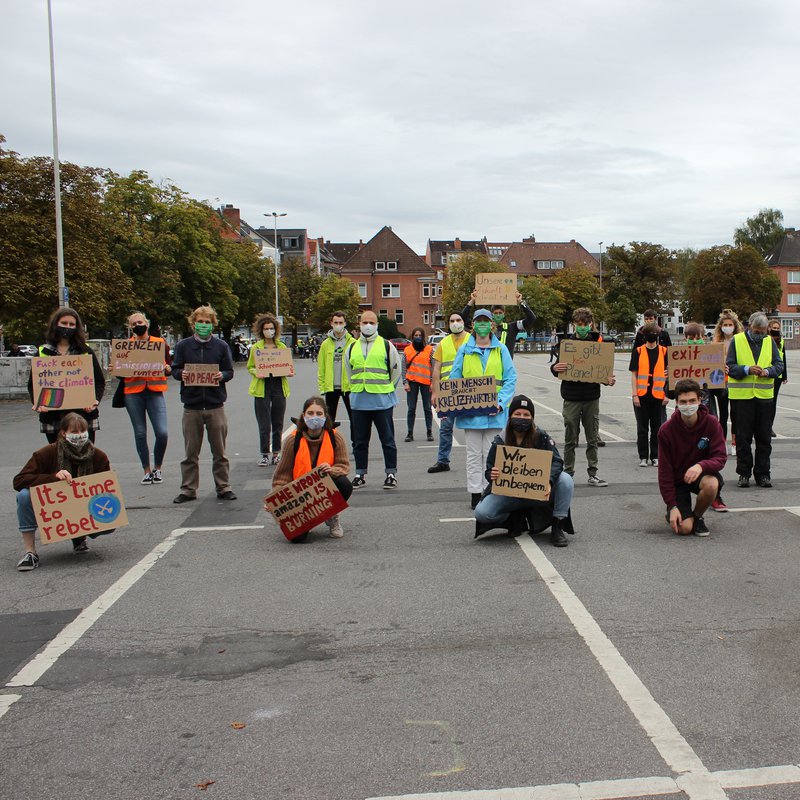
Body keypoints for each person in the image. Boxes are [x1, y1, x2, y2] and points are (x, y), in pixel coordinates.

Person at [13, 413, 112, 571]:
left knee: (109, 520)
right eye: (74, 432)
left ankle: (79, 536)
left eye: (82, 431)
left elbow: (107, 489)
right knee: (24, 496)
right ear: (64, 433)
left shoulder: (98, 456)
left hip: (83, 507)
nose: (79, 436)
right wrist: (53, 478)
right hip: (51, 506)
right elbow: (19, 480)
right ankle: (30, 552)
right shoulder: (47, 452)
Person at [474, 395, 574, 547]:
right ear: (510, 416)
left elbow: (557, 462)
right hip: (510, 494)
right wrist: (492, 474)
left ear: (532, 418)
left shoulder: (541, 436)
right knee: (482, 513)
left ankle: (558, 524)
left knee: (566, 479)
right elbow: (489, 470)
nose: (522, 418)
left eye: (526, 415)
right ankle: (514, 518)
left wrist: (548, 481)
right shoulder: (500, 440)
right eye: (518, 414)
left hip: (539, 492)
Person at [449, 308, 517, 508]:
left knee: (492, 455)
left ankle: (490, 490)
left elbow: (510, 378)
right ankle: (475, 492)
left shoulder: (501, 349)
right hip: (471, 413)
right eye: (478, 321)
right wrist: (455, 403)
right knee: (473, 455)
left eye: (486, 321)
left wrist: (501, 401)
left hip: (495, 412)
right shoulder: (464, 349)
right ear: (473, 325)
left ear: (491, 325)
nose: (482, 325)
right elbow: (455, 378)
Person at [171, 305, 236, 503]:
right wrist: (180, 374)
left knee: (220, 452)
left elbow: (229, 371)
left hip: (215, 405)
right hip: (192, 406)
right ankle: (188, 489)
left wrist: (221, 375)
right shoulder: (183, 346)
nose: (203, 325)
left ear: (213, 325)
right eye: (200, 322)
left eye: (207, 322)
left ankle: (223, 486)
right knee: (191, 452)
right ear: (193, 324)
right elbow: (175, 369)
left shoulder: (221, 346)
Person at [551, 307, 616, 486]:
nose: (582, 327)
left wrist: (608, 380)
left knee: (592, 437)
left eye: (585, 324)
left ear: (590, 325)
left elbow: (601, 372)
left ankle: (593, 473)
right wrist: (554, 369)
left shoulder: (597, 345)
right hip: (571, 397)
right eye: (578, 324)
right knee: (570, 437)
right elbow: (557, 367)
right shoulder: (567, 344)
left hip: (591, 398)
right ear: (574, 325)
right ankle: (568, 473)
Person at [270, 396, 352, 539]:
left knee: (344, 484)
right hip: (300, 495)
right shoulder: (292, 440)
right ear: (303, 415)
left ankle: (331, 515)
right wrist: (275, 500)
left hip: (324, 491)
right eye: (311, 413)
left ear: (325, 416)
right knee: (297, 539)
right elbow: (282, 475)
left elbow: (343, 466)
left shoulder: (335, 437)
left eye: (319, 414)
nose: (315, 417)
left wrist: (331, 470)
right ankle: (310, 520)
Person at [657, 379, 727, 537]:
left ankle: (698, 516)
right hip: (678, 481)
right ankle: (675, 513)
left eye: (692, 401)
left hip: (700, 475)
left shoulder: (711, 423)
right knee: (685, 529)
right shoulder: (666, 430)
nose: (688, 405)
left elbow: (721, 457)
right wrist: (672, 504)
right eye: (683, 401)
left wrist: (701, 466)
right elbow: (664, 472)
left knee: (711, 484)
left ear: (700, 400)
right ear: (676, 402)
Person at [28, 307, 105, 444]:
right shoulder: (42, 352)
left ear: (77, 327)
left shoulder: (85, 351)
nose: (67, 327)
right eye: (64, 323)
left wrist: (95, 401)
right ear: (55, 324)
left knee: (85, 457)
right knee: (58, 459)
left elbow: (99, 381)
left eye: (71, 324)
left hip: (83, 416)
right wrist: (38, 402)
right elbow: (33, 385)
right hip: (53, 417)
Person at [345, 310, 402, 489]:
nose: (368, 325)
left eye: (371, 322)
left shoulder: (386, 345)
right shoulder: (352, 347)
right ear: (359, 324)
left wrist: (387, 389)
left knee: (387, 440)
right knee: (360, 441)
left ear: (377, 324)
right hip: (359, 401)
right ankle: (360, 473)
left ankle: (391, 473)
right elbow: (349, 372)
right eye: (364, 322)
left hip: (381, 401)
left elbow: (396, 371)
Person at [727, 312, 783, 488]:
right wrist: (746, 369)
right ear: (749, 326)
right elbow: (730, 366)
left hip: (764, 398)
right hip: (742, 398)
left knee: (764, 438)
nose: (759, 334)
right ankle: (744, 473)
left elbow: (779, 365)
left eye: (762, 331)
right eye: (756, 331)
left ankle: (763, 474)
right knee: (743, 438)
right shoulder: (737, 341)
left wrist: (767, 371)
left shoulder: (769, 341)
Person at [122, 311, 172, 485]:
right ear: (130, 327)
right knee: (140, 432)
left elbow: (169, 366)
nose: (137, 326)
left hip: (155, 391)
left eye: (140, 322)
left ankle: (158, 468)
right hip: (133, 393)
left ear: (147, 323)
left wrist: (167, 369)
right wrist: (116, 367)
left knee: (162, 432)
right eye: (134, 324)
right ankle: (146, 471)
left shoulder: (160, 343)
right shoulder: (126, 346)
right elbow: (121, 373)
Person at [428, 311, 470, 473]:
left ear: (463, 321)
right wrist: (435, 393)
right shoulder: (443, 344)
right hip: (447, 393)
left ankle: (480, 460)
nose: (455, 323)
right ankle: (443, 461)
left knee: (474, 427)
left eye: (458, 320)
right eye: (452, 320)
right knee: (445, 428)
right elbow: (436, 369)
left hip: (468, 390)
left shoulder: (472, 340)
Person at [247, 313, 291, 466]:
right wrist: (257, 372)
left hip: (279, 386)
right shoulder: (256, 348)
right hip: (262, 387)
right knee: (264, 424)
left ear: (276, 329)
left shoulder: (282, 347)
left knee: (277, 422)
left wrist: (289, 371)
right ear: (261, 330)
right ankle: (265, 453)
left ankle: (276, 453)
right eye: (266, 328)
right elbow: (250, 366)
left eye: (271, 328)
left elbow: (288, 365)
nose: (269, 331)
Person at [629, 321, 669, 467]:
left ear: (658, 336)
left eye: (655, 334)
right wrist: (635, 395)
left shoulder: (664, 352)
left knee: (657, 428)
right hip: (642, 396)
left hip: (658, 397)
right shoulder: (638, 351)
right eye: (650, 334)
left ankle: (655, 455)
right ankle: (643, 456)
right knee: (642, 428)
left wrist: (666, 395)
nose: (652, 337)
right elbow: (634, 374)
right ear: (644, 336)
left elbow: (669, 374)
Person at [462, 290, 536, 359]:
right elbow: (463, 318)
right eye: (496, 313)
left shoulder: (512, 327)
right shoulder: (483, 327)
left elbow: (531, 318)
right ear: (492, 314)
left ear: (504, 314)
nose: (498, 315)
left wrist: (521, 301)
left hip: (505, 367)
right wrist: (472, 301)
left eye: (500, 313)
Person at [317, 311, 355, 438]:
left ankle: (357, 445)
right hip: (331, 387)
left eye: (341, 322)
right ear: (331, 323)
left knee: (354, 418)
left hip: (349, 387)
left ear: (345, 324)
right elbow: (321, 367)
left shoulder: (353, 343)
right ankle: (329, 446)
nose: (338, 325)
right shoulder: (325, 344)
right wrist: (322, 386)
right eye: (336, 323)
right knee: (329, 421)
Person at [710, 309, 743, 455]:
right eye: (725, 324)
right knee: (723, 415)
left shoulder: (740, 341)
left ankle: (735, 443)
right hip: (720, 382)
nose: (728, 327)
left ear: (735, 326)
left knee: (735, 415)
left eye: (730, 324)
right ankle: (722, 442)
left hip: (736, 381)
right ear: (720, 326)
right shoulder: (716, 342)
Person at [402, 327, 434, 442]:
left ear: (423, 336)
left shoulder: (430, 350)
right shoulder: (407, 350)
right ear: (412, 336)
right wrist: (405, 383)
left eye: (420, 335)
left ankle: (429, 432)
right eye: (415, 335)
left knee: (427, 409)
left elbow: (433, 367)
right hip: (412, 382)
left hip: (426, 383)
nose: (418, 337)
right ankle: (410, 433)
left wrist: (433, 383)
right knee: (411, 409)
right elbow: (403, 368)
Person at [767, 319, 787, 437]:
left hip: (778, 375)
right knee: (766, 402)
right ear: (769, 328)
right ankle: (763, 426)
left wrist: (785, 375)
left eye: (777, 328)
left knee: (773, 402)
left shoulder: (782, 341)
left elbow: (783, 359)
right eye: (773, 328)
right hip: (767, 373)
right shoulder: (765, 340)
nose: (775, 330)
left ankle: (770, 427)